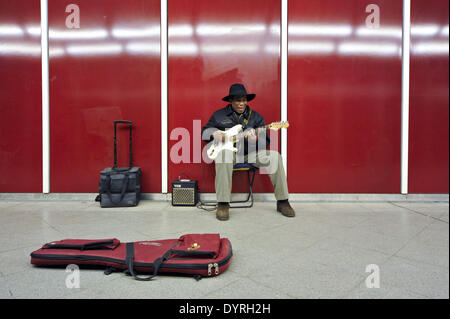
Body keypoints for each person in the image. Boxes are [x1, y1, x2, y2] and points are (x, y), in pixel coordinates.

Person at [202, 83, 296, 221]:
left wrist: (255, 140)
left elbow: (266, 142)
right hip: (230, 154)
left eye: (244, 100)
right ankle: (223, 203)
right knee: (223, 155)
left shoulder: (256, 117)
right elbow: (204, 132)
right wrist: (214, 133)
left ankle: (283, 201)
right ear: (231, 101)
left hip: (251, 154)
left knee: (275, 157)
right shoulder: (219, 115)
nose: (242, 103)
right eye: (238, 100)